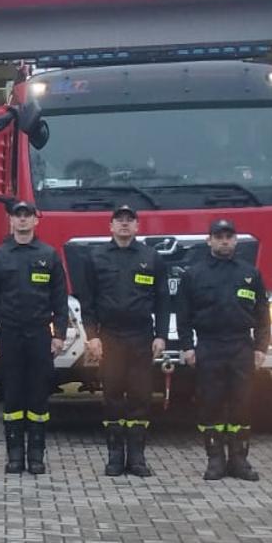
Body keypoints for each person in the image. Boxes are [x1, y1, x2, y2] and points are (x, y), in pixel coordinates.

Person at [74, 204, 167, 478]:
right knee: (112, 396)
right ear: (110, 226)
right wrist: (92, 336)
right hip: (110, 337)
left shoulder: (151, 258)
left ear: (137, 227)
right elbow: (87, 302)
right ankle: (115, 458)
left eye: (130, 220)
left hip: (141, 337)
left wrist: (161, 335)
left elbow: (162, 300)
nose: (125, 225)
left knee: (140, 397)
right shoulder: (96, 258)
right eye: (119, 220)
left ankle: (137, 458)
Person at [175, 218, 269, 481]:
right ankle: (215, 460)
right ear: (209, 240)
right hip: (209, 345)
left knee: (242, 405)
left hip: (241, 345)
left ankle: (239, 461)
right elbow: (183, 315)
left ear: (235, 241)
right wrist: (187, 347)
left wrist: (261, 347)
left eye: (228, 237)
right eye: (219, 236)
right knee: (211, 404)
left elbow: (262, 314)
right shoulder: (194, 274)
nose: (224, 241)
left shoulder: (250, 274)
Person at [0, 201, 69, 476]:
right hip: (9, 335)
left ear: (35, 221)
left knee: (38, 396)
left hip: (39, 336)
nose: (22, 221)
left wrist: (59, 335)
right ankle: (15, 456)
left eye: (27, 216)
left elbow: (60, 300)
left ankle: (36, 456)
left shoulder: (49, 255)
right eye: (17, 216)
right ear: (10, 221)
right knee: (13, 396)